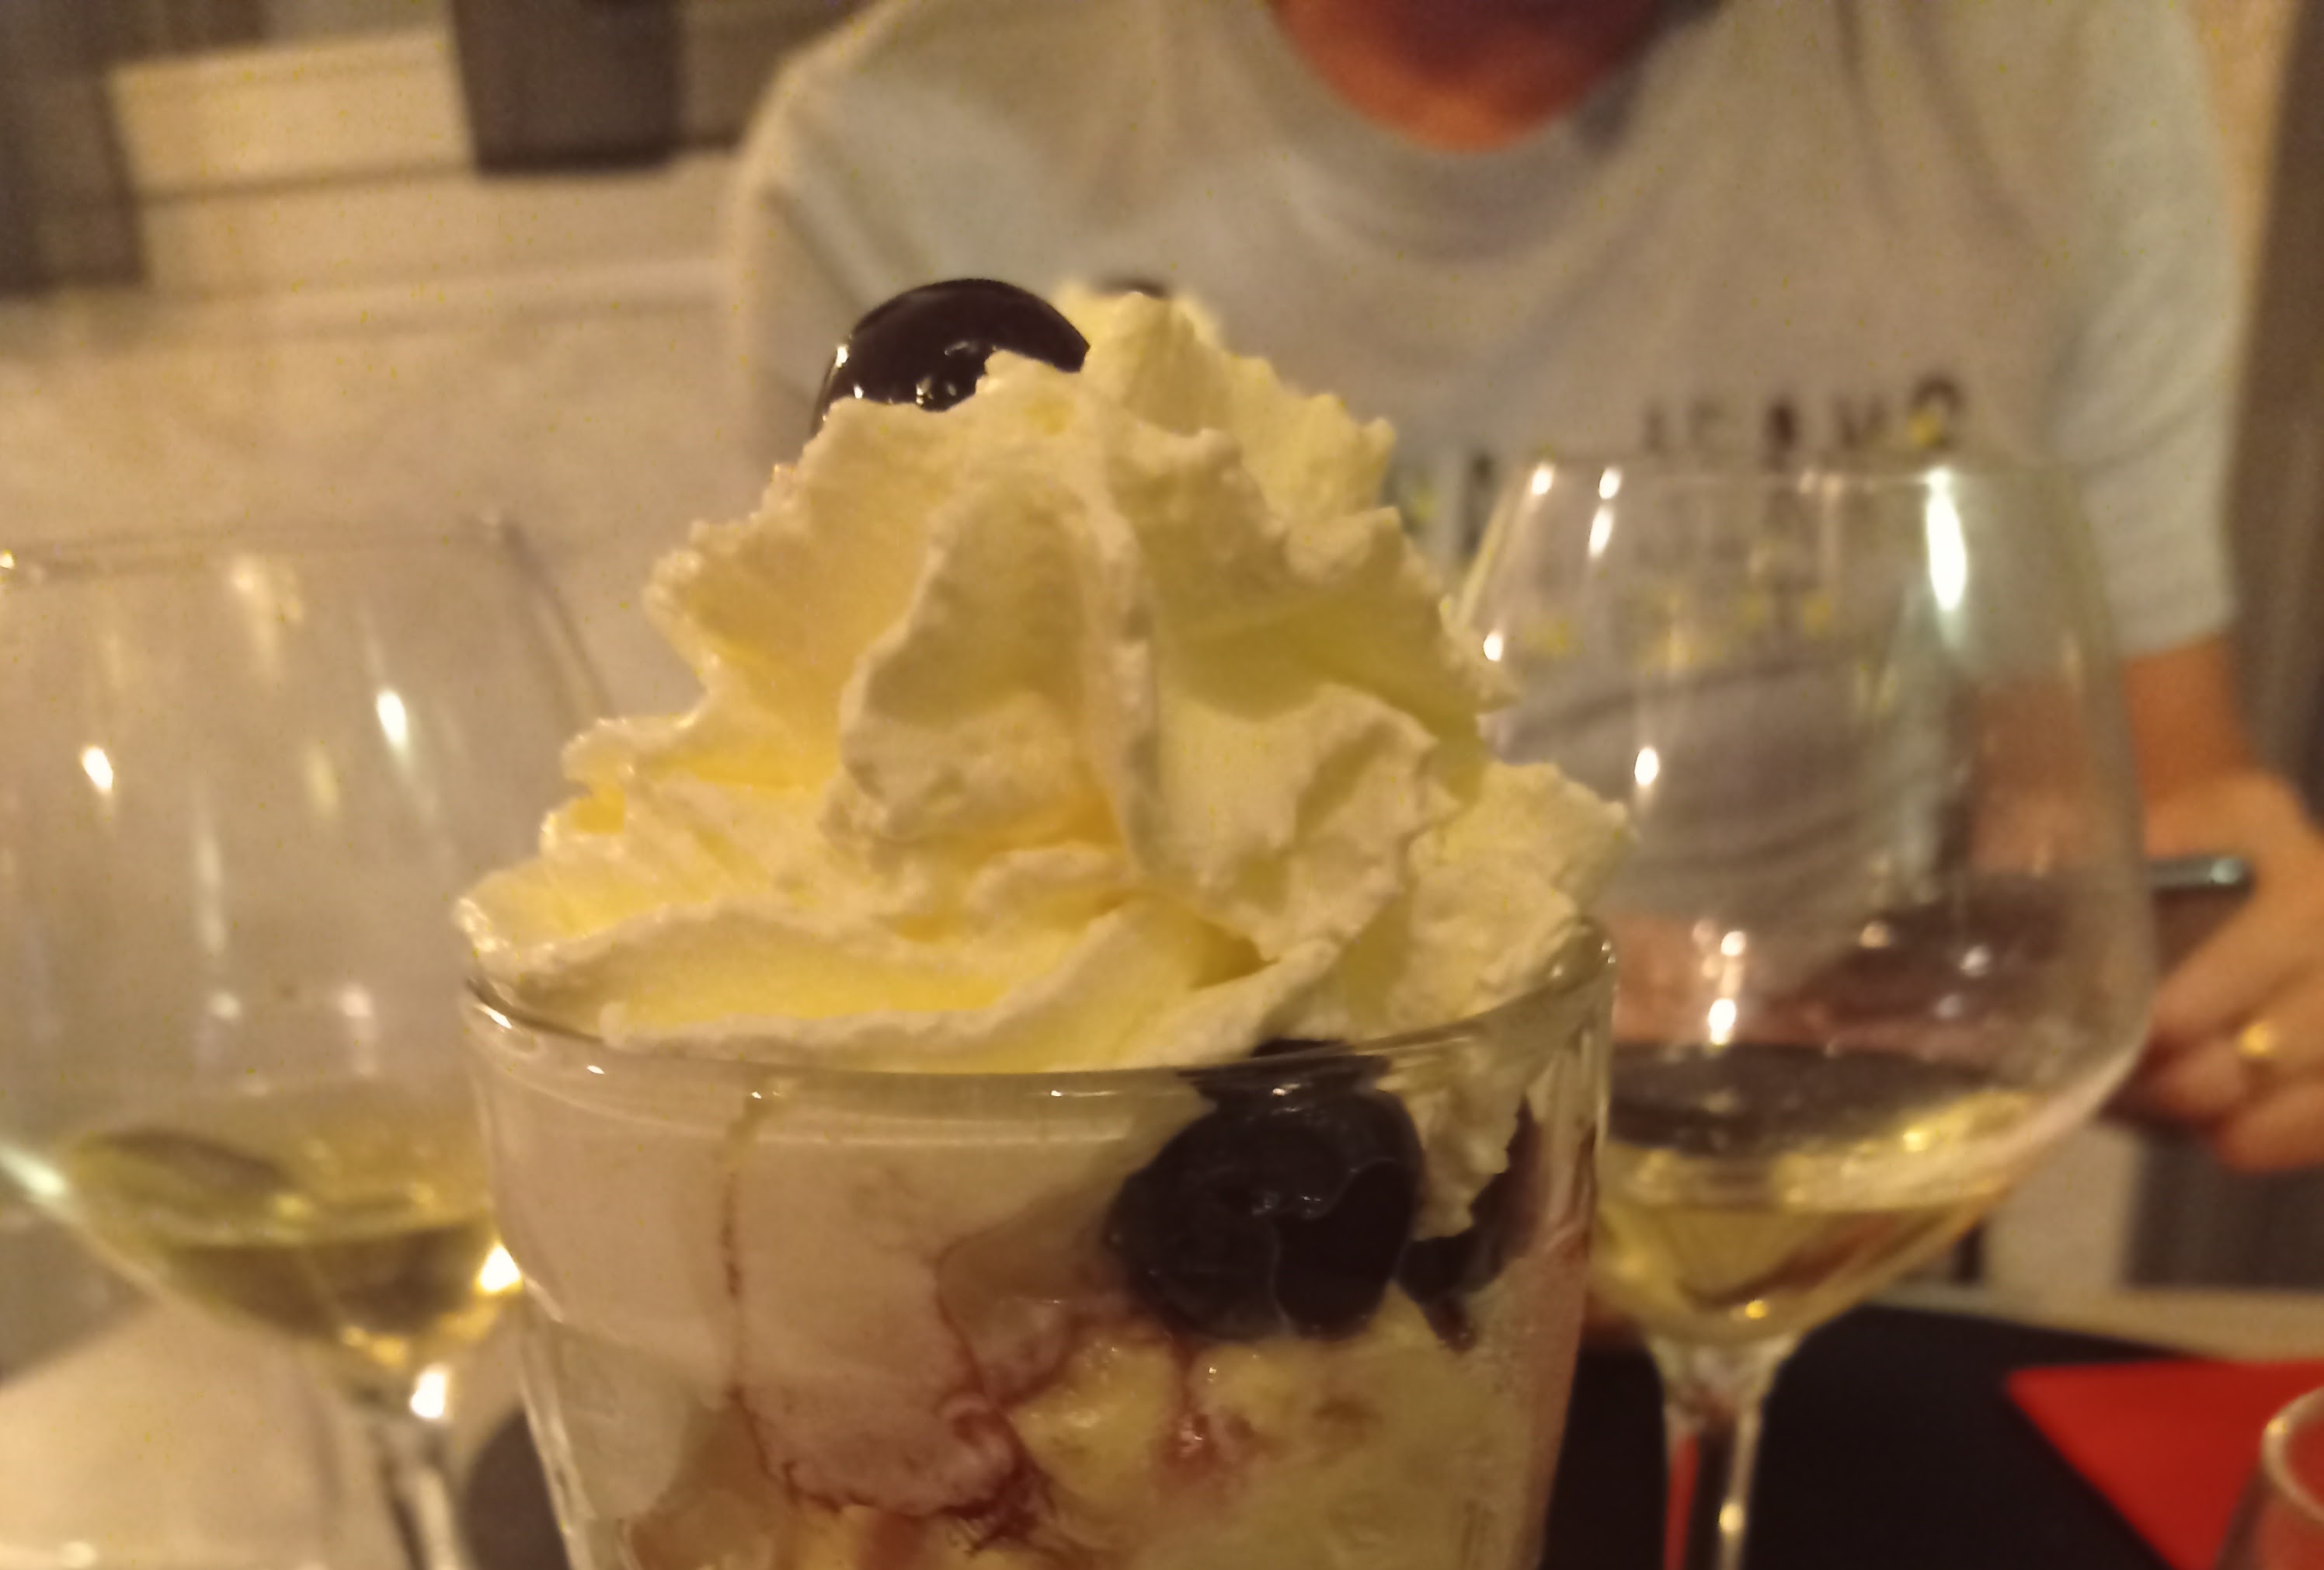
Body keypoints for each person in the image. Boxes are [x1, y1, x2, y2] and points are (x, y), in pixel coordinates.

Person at [729, 0, 2324, 1171]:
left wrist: (2219, 957)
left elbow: (2129, 805)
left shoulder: (2044, 59)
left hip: (1817, 1183)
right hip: (1237, 1257)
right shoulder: (906, 145)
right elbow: (929, 914)